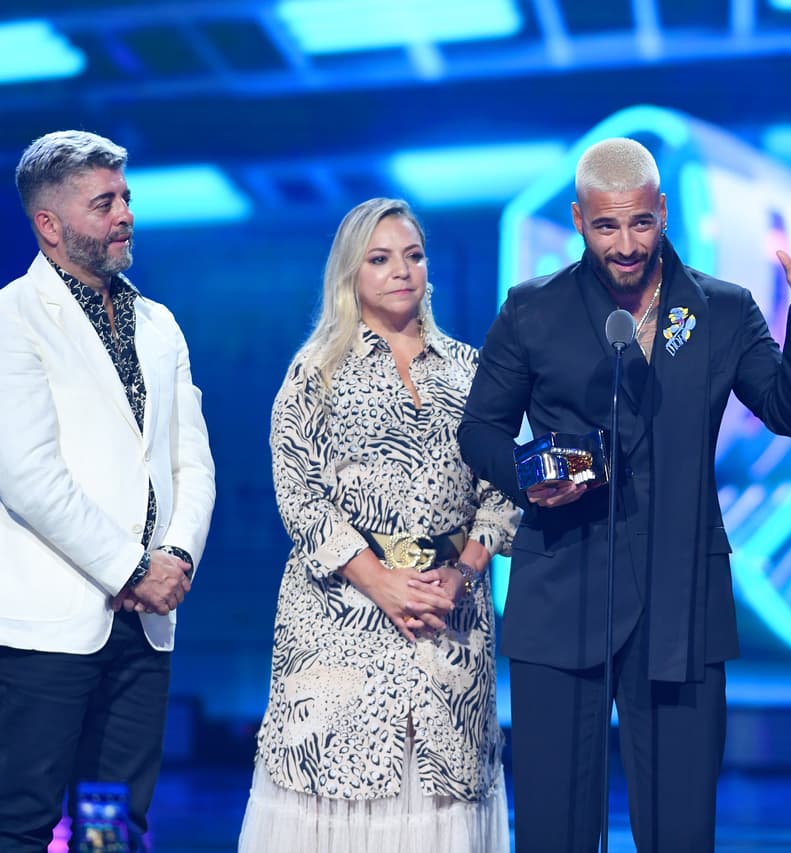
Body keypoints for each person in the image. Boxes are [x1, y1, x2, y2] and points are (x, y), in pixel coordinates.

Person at [457, 137, 791, 852]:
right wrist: (530, 474)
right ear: (579, 219)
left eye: (641, 223)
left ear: (664, 211)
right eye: (606, 226)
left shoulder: (724, 310)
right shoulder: (532, 310)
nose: (625, 245)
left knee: (681, 833)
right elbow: (479, 431)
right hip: (563, 595)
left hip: (683, 605)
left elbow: (790, 411)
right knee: (554, 832)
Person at [0, 130, 216, 852]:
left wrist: (176, 559)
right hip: (48, 618)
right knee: (23, 819)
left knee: (113, 827)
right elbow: (30, 476)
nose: (126, 213)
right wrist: (133, 569)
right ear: (50, 224)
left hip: (144, 625)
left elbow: (193, 460)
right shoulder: (3, 323)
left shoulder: (160, 324)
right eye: (105, 202)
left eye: (126, 196)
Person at [238, 198, 518, 852]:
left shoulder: (470, 370)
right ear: (351, 273)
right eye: (381, 258)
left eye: (413, 256)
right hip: (342, 624)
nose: (402, 271)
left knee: (440, 800)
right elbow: (301, 495)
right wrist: (380, 582)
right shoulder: (316, 371)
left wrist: (465, 570)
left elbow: (502, 485)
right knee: (344, 797)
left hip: (449, 622)